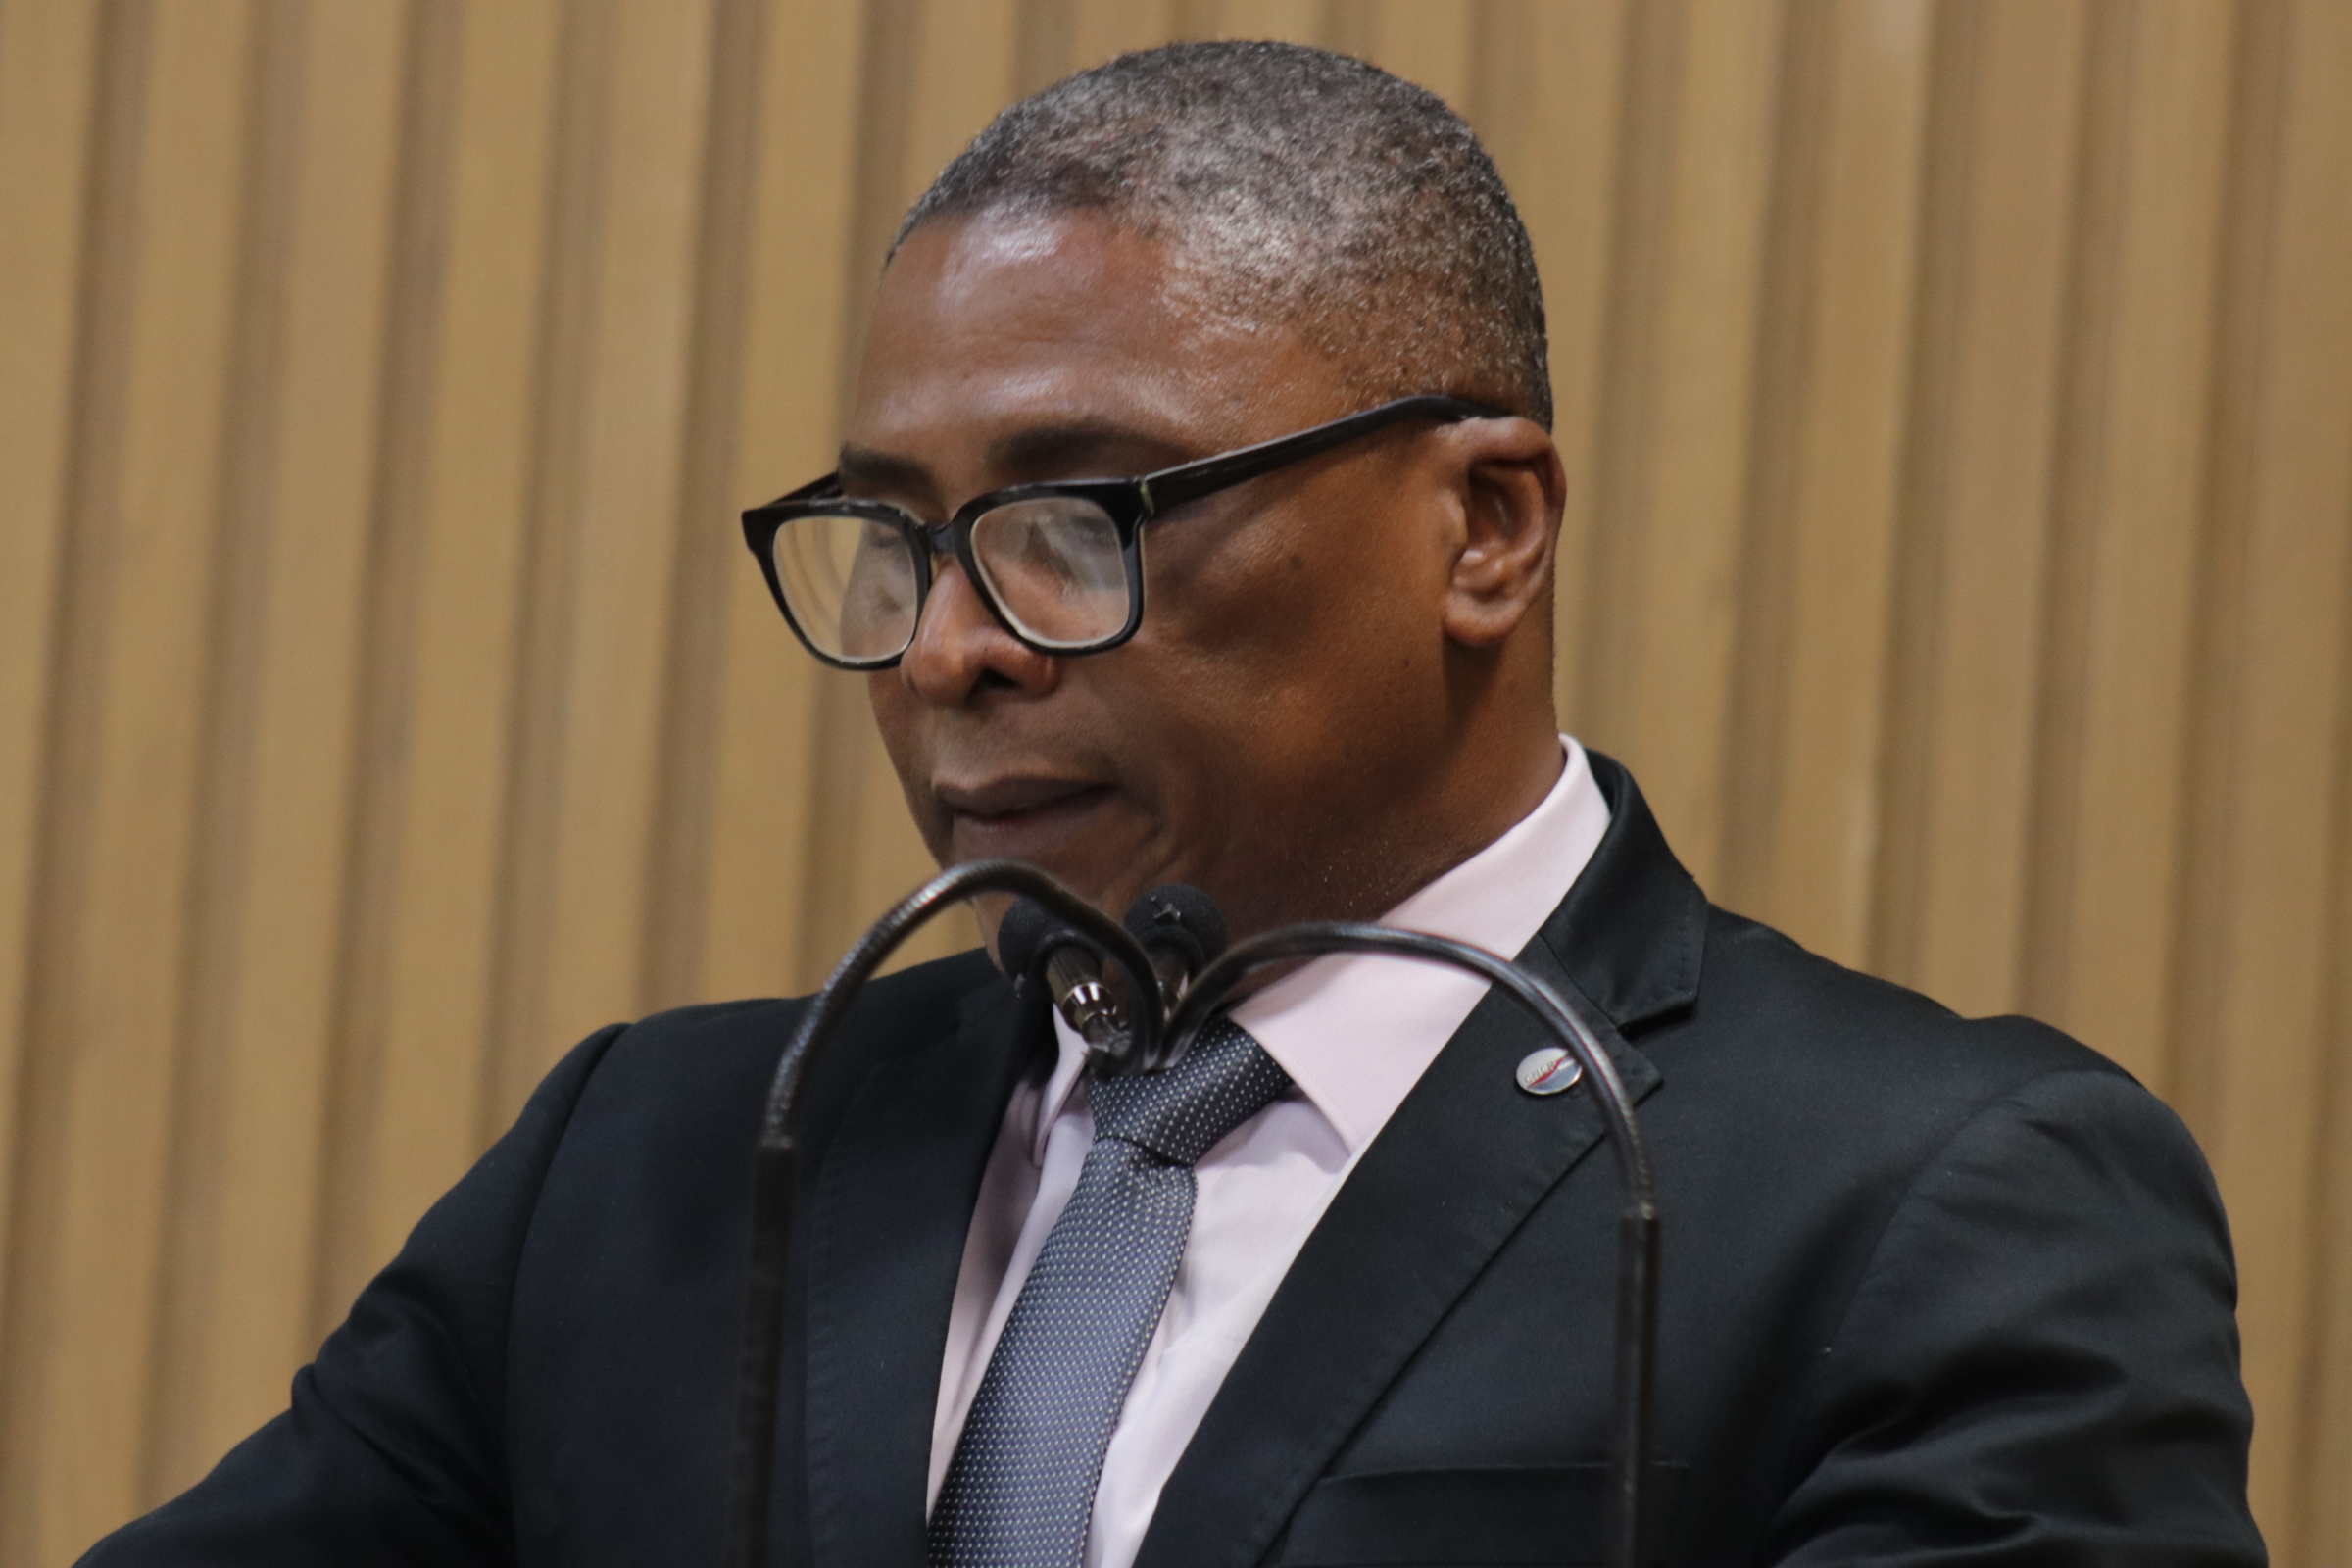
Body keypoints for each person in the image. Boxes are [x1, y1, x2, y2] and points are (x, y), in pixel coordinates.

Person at [83, 40, 2262, 1568]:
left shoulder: (1935, 1202)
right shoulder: (650, 1167)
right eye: (895, 537)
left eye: (1079, 520)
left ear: (1485, 528)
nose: (947, 647)